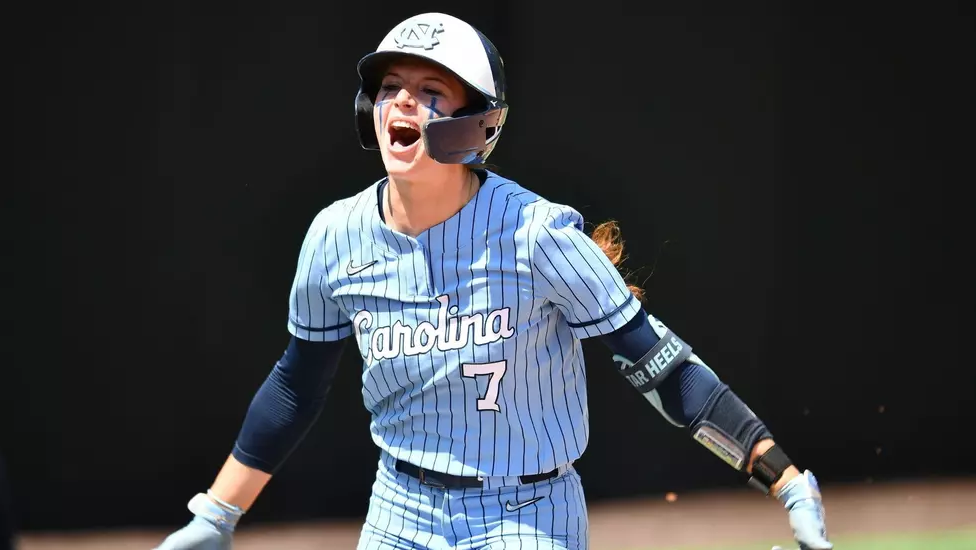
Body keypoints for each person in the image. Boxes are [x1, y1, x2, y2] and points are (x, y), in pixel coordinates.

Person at [154, 12, 833, 550]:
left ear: (476, 123)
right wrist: (217, 514)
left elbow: (660, 368)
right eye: (389, 89)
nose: (401, 104)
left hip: (525, 514)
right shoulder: (336, 235)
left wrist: (788, 482)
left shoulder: (536, 235)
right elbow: (296, 386)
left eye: (429, 92)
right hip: (400, 507)